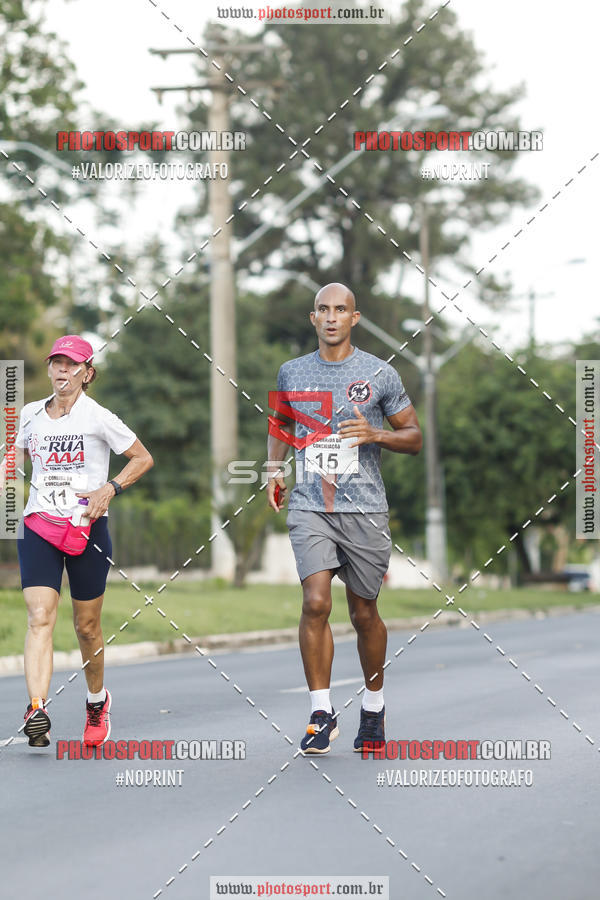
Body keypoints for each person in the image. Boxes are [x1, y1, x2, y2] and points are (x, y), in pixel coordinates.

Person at [267, 284, 422, 754]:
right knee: (315, 602)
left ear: (355, 318)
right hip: (311, 504)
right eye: (323, 310)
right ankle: (320, 711)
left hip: (365, 510)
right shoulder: (291, 372)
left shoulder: (379, 373)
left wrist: (376, 433)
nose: (331, 317)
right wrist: (273, 469)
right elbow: (280, 425)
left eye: (341, 310)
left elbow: (413, 437)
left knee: (363, 612)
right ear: (312, 317)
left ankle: (373, 707)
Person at [0, 335, 153, 748]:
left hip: (87, 526)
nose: (62, 371)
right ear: (49, 369)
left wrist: (110, 488)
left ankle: (96, 701)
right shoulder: (29, 414)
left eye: (72, 365)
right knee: (39, 616)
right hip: (38, 524)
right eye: (57, 364)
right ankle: (37, 708)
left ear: (87, 374)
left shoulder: (99, 417)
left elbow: (142, 458)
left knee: (87, 627)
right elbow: (11, 462)